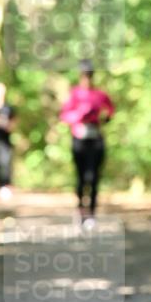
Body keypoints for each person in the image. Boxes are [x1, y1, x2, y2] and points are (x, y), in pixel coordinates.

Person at [59, 60, 115, 225]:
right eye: (84, 75)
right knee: (81, 178)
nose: (87, 78)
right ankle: (80, 210)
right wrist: (79, 115)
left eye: (89, 75)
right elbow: (64, 116)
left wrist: (104, 118)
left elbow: (110, 111)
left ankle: (91, 213)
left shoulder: (100, 94)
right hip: (79, 140)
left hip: (96, 139)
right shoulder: (74, 94)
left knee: (94, 177)